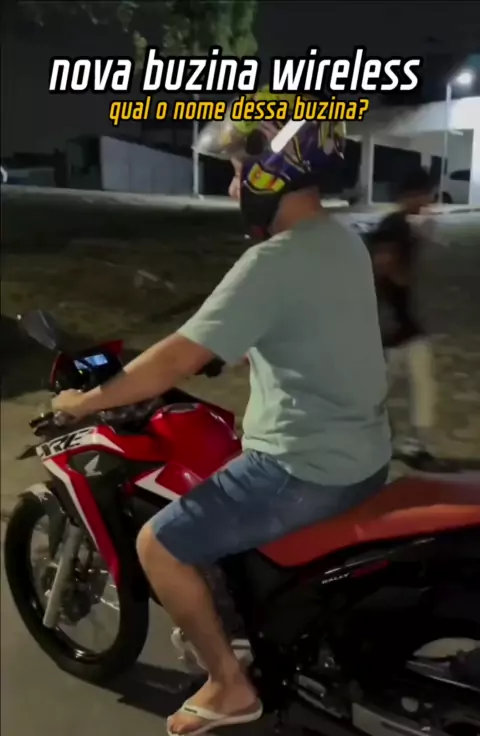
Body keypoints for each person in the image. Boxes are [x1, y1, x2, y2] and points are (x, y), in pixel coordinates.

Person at [52, 89, 391, 736]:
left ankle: (229, 686)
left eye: (239, 169)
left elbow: (176, 357)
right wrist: (227, 352)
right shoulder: (341, 240)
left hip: (304, 467)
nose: (235, 185)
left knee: (159, 544)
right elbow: (305, 329)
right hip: (364, 454)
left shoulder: (270, 263)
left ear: (272, 173)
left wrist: (85, 401)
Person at [368, 167, 451, 472]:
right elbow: (383, 265)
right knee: (382, 391)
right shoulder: (395, 226)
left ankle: (411, 445)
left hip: (401, 325)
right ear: (413, 195)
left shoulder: (401, 225)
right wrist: (404, 277)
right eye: (427, 194)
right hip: (393, 326)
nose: (429, 201)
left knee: (415, 384)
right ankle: (401, 445)